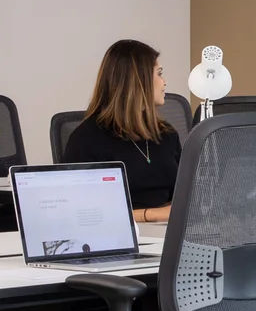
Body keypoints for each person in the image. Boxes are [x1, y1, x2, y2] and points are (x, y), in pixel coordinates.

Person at [62, 39, 182, 224]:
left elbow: (182, 196)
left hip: (165, 233)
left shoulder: (166, 134)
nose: (164, 82)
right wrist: (153, 215)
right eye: (159, 74)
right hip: (115, 235)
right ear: (138, 81)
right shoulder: (86, 139)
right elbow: (82, 212)